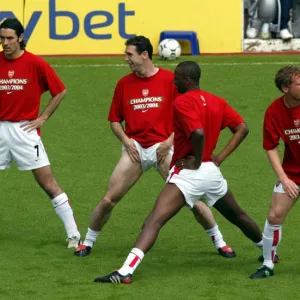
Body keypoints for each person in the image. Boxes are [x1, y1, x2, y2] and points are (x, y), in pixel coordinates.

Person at [93, 61, 264, 284]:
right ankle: (269, 251)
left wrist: (196, 161)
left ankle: (125, 271)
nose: (174, 82)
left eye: (178, 78)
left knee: (153, 222)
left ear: (188, 81)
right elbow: (243, 128)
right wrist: (218, 158)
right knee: (238, 216)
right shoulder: (216, 100)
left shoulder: (181, 102)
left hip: (189, 173)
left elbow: (198, 133)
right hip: (212, 173)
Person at [74, 36, 235, 258]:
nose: (126, 59)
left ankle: (219, 241)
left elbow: (189, 116)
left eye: (129, 54)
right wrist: (126, 140)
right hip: (135, 148)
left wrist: (168, 142)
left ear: (144, 55)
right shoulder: (123, 84)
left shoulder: (172, 81)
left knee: (193, 199)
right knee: (109, 199)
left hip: (165, 148)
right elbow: (114, 120)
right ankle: (88, 242)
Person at [0, 18, 80, 248]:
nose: (5, 43)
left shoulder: (35, 63)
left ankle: (73, 234)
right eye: (2, 38)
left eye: (10, 38)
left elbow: (59, 91)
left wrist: (43, 117)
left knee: (48, 184)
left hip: (25, 131)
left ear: (21, 38)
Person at [250, 66, 300, 279]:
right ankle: (268, 265)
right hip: (292, 172)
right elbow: (270, 147)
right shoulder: (274, 111)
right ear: (285, 88)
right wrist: (283, 178)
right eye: (299, 83)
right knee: (274, 216)